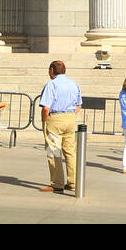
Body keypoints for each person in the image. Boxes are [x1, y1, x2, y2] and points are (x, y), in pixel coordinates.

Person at [38, 59, 82, 193]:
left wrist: (45, 121)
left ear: (52, 70)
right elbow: (79, 105)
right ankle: (73, 182)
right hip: (70, 118)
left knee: (54, 151)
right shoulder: (74, 84)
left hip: (55, 118)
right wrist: (70, 114)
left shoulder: (51, 85)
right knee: (70, 152)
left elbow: (46, 107)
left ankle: (57, 183)